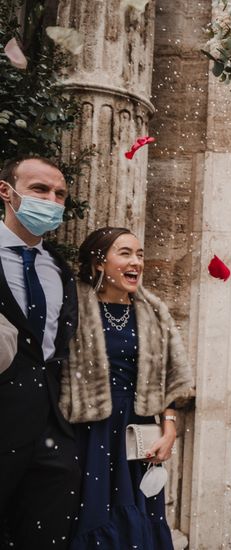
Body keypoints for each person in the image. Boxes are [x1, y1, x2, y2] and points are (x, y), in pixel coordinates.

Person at [59, 227, 195, 550]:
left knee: (139, 518)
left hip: (136, 432)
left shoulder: (152, 311)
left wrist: (169, 429)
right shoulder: (72, 304)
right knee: (90, 515)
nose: (136, 262)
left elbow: (169, 378)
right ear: (99, 262)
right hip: (87, 431)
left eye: (140, 254)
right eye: (125, 253)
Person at [0, 156, 81, 548]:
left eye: (60, 194)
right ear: (7, 192)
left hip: (50, 439)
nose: (51, 200)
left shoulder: (60, 270)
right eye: (39, 189)